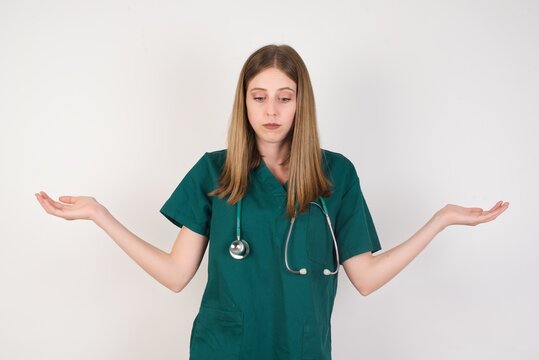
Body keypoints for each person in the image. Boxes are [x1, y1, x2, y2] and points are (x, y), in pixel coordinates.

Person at [35, 44, 509, 360]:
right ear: (243, 101)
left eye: (284, 97)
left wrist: (439, 221)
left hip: (302, 348)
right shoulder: (214, 172)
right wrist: (101, 216)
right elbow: (176, 274)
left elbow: (365, 277)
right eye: (259, 97)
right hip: (225, 350)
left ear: (301, 102)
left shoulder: (335, 175)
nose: (271, 111)